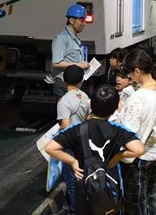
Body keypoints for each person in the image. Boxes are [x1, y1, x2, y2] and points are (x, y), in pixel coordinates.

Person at [46, 85, 145, 215]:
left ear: (91, 104)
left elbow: (50, 148)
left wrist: (72, 162)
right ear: (115, 108)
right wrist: (117, 157)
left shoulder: (76, 129)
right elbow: (139, 149)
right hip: (110, 184)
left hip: (84, 185)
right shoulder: (118, 129)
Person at [119, 48, 156, 215]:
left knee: (136, 204)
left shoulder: (138, 98)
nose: (129, 78)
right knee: (152, 196)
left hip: (139, 159)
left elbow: (129, 133)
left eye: (130, 75)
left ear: (137, 71)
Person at [56, 65, 91, 215]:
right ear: (82, 80)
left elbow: (66, 126)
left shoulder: (64, 101)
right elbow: (89, 118)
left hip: (71, 146)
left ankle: (74, 210)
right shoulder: (85, 96)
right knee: (81, 177)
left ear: (64, 80)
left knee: (71, 181)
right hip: (84, 141)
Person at [51, 4, 90, 99]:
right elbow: (56, 63)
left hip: (74, 85)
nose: (84, 23)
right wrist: (77, 65)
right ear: (72, 20)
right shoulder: (61, 38)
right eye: (81, 20)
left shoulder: (74, 38)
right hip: (63, 85)